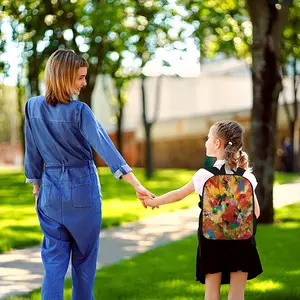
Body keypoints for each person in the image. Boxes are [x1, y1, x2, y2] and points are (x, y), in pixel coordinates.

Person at [24, 48, 153, 300]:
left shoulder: (32, 107)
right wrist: (136, 184)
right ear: (64, 77)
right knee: (83, 264)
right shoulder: (79, 111)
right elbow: (106, 148)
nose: (84, 83)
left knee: (53, 265)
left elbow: (32, 152)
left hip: (49, 194)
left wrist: (37, 188)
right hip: (82, 192)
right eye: (80, 77)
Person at [144, 120, 263, 300]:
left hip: (212, 242)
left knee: (211, 294)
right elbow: (256, 213)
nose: (206, 142)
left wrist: (154, 202)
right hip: (241, 242)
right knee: (237, 295)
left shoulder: (204, 175)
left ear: (217, 144)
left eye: (208, 138)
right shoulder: (246, 177)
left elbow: (178, 195)